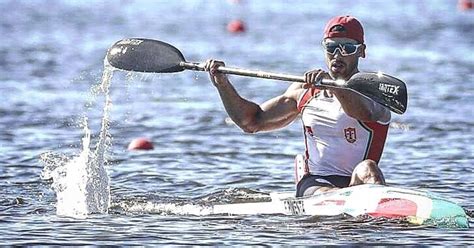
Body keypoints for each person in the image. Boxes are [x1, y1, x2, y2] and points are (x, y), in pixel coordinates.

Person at [204, 15, 390, 197]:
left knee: (368, 167)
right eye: (331, 47)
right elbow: (250, 122)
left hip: (359, 180)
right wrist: (222, 84)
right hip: (316, 183)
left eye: (347, 47)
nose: (337, 54)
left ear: (362, 51)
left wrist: (332, 85)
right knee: (331, 191)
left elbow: (362, 113)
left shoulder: (375, 92)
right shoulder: (304, 91)